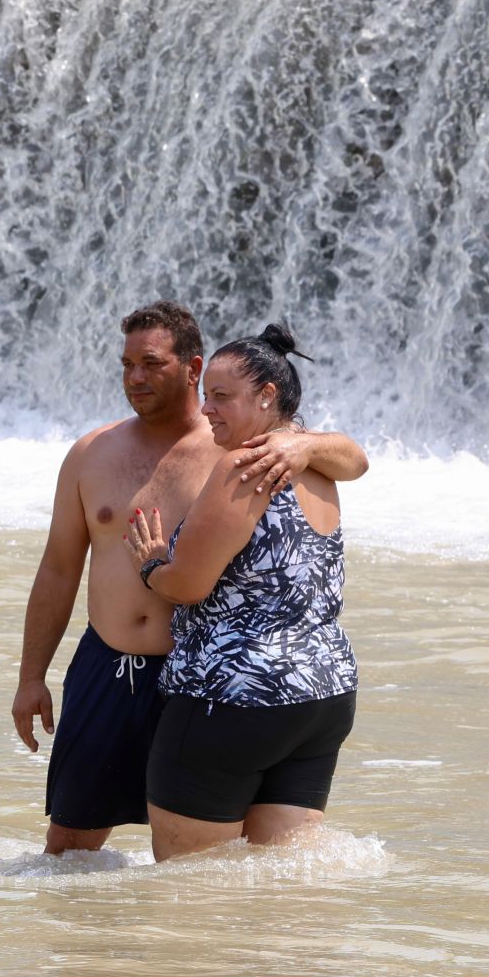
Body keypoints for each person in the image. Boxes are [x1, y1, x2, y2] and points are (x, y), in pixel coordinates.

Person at [11, 302, 367, 855]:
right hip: (115, 670)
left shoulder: (243, 448)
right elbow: (58, 568)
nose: (135, 377)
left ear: (192, 367)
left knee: (203, 860)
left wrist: (307, 442)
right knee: (71, 847)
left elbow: (352, 456)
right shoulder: (91, 454)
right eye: (126, 364)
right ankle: (83, 944)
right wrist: (31, 677)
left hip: (208, 683)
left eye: (151, 363)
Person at [126, 324, 358, 861]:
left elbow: (187, 586)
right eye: (206, 395)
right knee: (274, 891)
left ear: (267, 396)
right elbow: (356, 457)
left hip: (232, 697)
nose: (207, 410)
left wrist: (152, 565)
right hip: (320, 695)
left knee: (190, 889)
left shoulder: (243, 466)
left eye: (222, 396)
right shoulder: (317, 464)